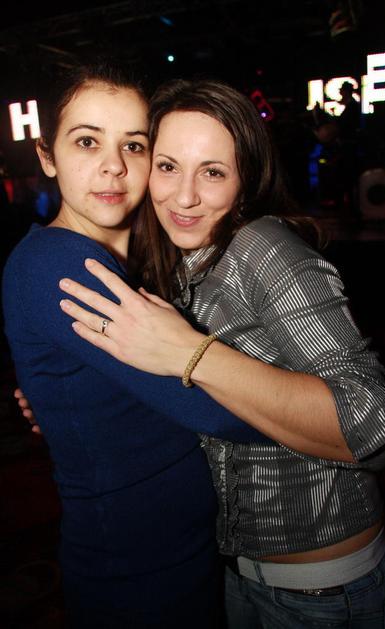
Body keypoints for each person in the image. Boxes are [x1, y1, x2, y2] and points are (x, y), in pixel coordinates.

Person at [54, 79, 385, 628]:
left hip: (322, 592)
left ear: (246, 180)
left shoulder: (262, 246)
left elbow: (374, 428)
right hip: (239, 573)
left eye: (213, 172)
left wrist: (193, 353)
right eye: (168, 166)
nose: (184, 197)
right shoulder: (181, 260)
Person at [1, 64, 274, 629]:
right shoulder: (60, 265)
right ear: (47, 156)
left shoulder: (141, 261)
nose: (114, 165)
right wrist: (314, 404)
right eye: (87, 141)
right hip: (138, 573)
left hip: (185, 554)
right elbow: (228, 413)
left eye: (134, 145)